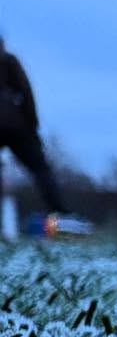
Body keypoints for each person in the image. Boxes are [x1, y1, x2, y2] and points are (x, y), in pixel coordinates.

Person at [0, 35, 65, 214]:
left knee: (40, 168)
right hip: (15, 122)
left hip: (12, 122)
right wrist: (32, 125)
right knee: (40, 169)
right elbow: (26, 91)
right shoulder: (9, 60)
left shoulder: (9, 61)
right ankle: (60, 212)